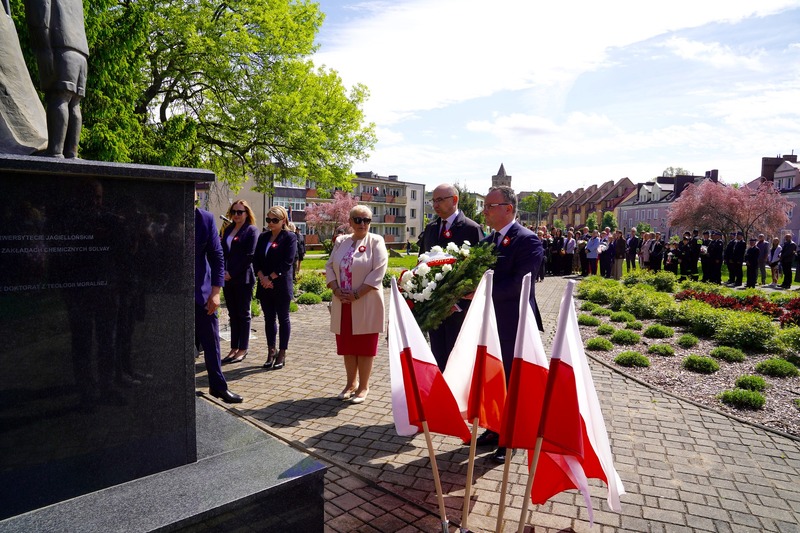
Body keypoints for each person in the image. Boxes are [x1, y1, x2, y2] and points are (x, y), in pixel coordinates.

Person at [474, 186, 544, 464]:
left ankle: (512, 437)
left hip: (514, 322)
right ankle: (494, 426)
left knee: (513, 380)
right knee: (493, 376)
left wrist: (479, 292)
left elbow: (519, 285)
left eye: (491, 206)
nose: (485, 211)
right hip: (489, 321)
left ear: (509, 208)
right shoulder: (488, 241)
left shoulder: (528, 241)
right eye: (486, 206)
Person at [325, 205, 388, 404]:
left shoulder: (376, 241)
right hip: (343, 302)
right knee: (348, 346)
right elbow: (329, 266)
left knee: (365, 347)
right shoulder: (341, 241)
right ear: (350, 222)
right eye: (358, 219)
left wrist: (357, 294)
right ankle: (350, 384)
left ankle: (363, 386)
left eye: (367, 220)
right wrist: (335, 289)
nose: (362, 224)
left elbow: (379, 270)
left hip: (365, 301)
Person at [417, 184, 483, 370]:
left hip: (458, 310)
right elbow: (421, 264)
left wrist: (458, 303)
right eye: (433, 200)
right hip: (434, 309)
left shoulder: (471, 228)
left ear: (454, 200)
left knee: (458, 362)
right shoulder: (431, 228)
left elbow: (478, 270)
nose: (435, 205)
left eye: (440, 200)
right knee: (438, 358)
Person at [24, 0, 89, 158]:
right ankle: (71, 152)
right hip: (80, 52)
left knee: (58, 98)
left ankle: (55, 152)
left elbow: (40, 15)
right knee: (74, 103)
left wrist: (44, 48)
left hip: (60, 45)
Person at [194, 205, 242, 403]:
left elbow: (217, 256)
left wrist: (215, 291)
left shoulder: (204, 219)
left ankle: (218, 386)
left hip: (202, 292)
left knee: (212, 341)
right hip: (170, 293)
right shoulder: (163, 214)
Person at [253, 206, 297, 370]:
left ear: (283, 220)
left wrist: (270, 277)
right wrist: (262, 277)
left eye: (274, 220)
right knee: (268, 319)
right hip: (265, 285)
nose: (271, 223)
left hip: (280, 285)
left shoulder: (289, 237)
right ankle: (271, 350)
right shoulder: (263, 237)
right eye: (268, 220)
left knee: (283, 318)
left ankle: (282, 352)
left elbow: (287, 262)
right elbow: (256, 259)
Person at [220, 200, 259, 364]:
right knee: (232, 314)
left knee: (243, 314)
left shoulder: (251, 231)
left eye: (240, 212)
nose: (236, 215)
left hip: (243, 278)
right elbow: (221, 252)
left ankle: (243, 348)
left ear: (246, 213)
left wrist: (232, 273)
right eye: (234, 211)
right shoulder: (228, 229)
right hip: (227, 277)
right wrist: (222, 272)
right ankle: (233, 348)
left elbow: (249, 256)